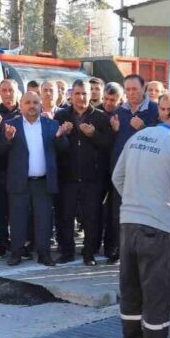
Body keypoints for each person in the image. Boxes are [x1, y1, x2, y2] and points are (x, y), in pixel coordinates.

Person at [112, 98, 170, 338]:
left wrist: (138, 202)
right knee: (158, 293)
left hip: (128, 224)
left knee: (131, 290)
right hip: (159, 229)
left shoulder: (139, 137)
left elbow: (117, 177)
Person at [0, 91, 71, 267]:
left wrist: (60, 138)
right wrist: (7, 139)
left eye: (35, 102)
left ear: (41, 105)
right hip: (19, 181)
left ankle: (44, 254)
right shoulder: (9, 125)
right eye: (28, 102)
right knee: (17, 219)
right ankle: (16, 253)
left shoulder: (51, 124)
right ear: (21, 105)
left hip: (43, 182)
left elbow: (64, 148)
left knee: (44, 219)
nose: (32, 106)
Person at [54, 79, 113, 265]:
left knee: (91, 218)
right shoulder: (61, 115)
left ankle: (89, 253)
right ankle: (67, 252)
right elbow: (54, 146)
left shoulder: (101, 117)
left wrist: (93, 135)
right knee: (66, 217)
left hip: (92, 179)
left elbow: (108, 145)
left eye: (85, 93)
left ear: (92, 95)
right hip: (68, 177)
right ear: (71, 96)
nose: (81, 97)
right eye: (78, 93)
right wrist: (62, 135)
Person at [110, 74, 159, 265]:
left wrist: (144, 127)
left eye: (135, 89)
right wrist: (114, 131)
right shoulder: (119, 111)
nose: (131, 93)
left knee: (143, 215)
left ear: (143, 88)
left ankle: (142, 254)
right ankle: (121, 251)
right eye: (127, 89)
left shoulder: (154, 110)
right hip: (123, 173)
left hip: (145, 173)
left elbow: (160, 137)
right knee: (120, 212)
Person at [0, 79, 22, 259]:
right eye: (4, 90)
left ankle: (18, 244)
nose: (8, 93)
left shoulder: (24, 111)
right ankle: (0, 244)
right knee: (0, 211)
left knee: (18, 210)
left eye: (11, 90)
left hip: (20, 169)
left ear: (16, 91)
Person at [98, 81, 124, 264]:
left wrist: (116, 131)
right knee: (95, 211)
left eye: (112, 100)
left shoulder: (122, 115)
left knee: (115, 213)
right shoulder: (96, 113)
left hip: (117, 171)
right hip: (98, 171)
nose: (108, 103)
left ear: (120, 100)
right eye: (106, 99)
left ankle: (111, 247)